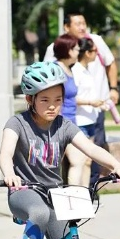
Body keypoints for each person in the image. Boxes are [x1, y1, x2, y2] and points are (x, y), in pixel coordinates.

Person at [0, 61, 120, 239]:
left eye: (58, 100)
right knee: (39, 213)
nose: (52, 106)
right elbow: (5, 154)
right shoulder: (17, 123)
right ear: (30, 99)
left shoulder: (64, 125)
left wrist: (116, 165)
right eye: (45, 100)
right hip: (24, 191)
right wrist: (10, 175)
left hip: (54, 193)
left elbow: (91, 149)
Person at [44, 13, 120, 188]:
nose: (82, 27)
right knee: (71, 162)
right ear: (66, 27)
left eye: (84, 23)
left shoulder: (95, 42)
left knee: (86, 159)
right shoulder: (60, 66)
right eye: (77, 23)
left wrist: (113, 89)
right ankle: (69, 198)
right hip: (65, 121)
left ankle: (84, 195)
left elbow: (111, 63)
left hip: (86, 117)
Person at [52, 33, 85, 186]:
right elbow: (54, 99)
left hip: (71, 123)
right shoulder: (56, 69)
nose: (79, 52)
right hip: (60, 125)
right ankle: (72, 198)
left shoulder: (68, 69)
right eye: (77, 49)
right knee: (76, 161)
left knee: (77, 161)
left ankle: (73, 196)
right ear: (68, 50)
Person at [71, 37, 104, 187]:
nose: (97, 54)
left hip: (90, 119)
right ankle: (76, 194)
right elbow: (71, 97)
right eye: (94, 51)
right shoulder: (76, 71)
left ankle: (85, 194)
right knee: (80, 161)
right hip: (80, 120)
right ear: (86, 53)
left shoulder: (87, 70)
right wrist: (90, 102)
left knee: (88, 160)